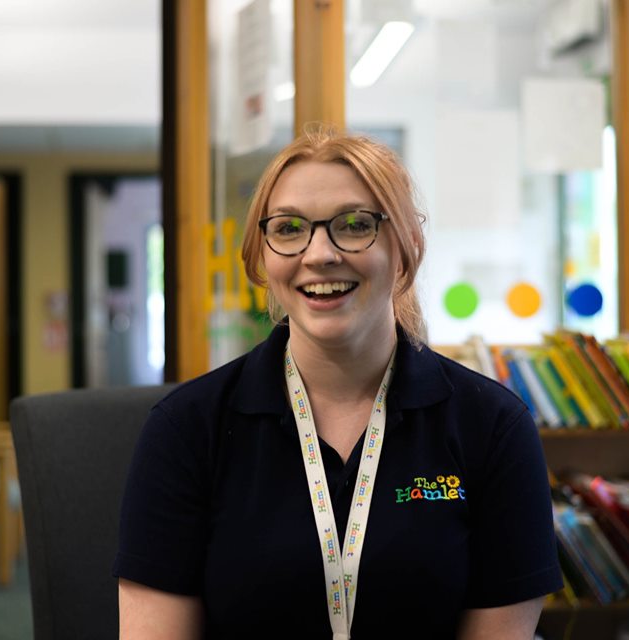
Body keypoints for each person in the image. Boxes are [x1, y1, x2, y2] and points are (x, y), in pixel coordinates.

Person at [114, 127, 562, 639]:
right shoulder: (187, 430)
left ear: (407, 245)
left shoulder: (493, 427)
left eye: (353, 225)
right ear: (262, 256)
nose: (319, 253)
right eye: (288, 229)